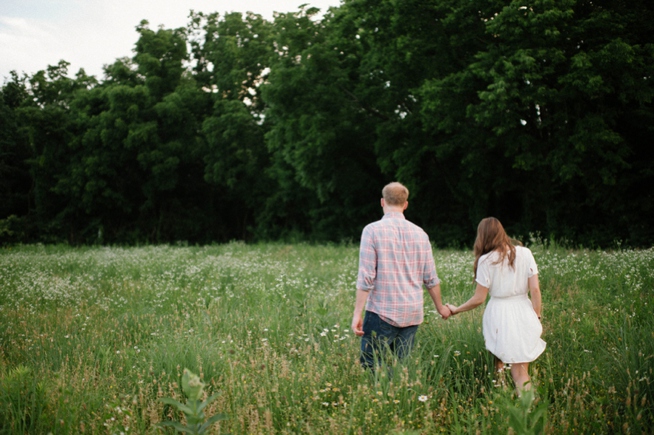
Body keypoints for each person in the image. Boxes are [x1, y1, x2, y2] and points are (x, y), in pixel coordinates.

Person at [351, 182, 451, 370]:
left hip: (382, 311)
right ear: (405, 204)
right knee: (402, 367)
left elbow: (366, 277)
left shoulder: (372, 231)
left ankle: (384, 396)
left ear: (382, 202)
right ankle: (398, 394)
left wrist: (357, 313)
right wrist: (440, 307)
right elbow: (430, 278)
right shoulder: (421, 234)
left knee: (371, 364)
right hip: (412, 312)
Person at [446, 217, 545, 394]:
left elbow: (478, 299)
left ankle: (503, 395)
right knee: (521, 369)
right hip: (523, 309)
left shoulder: (486, 260)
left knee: (499, 357)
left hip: (499, 312)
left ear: (482, 237)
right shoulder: (525, 253)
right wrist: (536, 315)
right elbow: (535, 289)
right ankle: (527, 406)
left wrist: (456, 310)